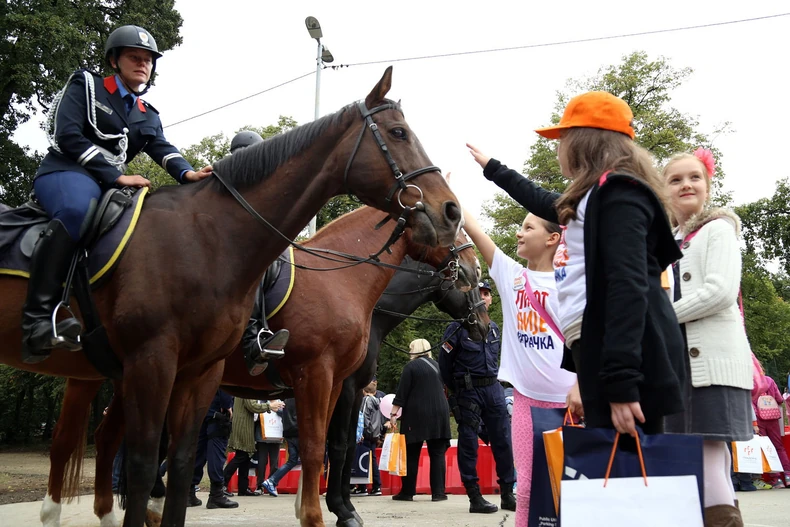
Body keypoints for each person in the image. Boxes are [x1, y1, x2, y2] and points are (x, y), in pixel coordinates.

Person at [467, 91, 685, 438]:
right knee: (617, 479)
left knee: (635, 478)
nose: (557, 149)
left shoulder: (619, 196)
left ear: (585, 142)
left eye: (562, 139)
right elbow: (540, 200)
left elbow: (627, 288)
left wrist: (622, 383)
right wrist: (494, 169)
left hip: (630, 360)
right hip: (604, 355)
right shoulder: (593, 199)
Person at [21, 25, 212, 364]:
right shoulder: (87, 85)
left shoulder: (146, 113)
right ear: (114, 60)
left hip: (109, 185)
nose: (143, 64)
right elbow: (67, 135)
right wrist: (116, 175)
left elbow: (161, 147)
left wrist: (188, 173)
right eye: (134, 58)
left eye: (148, 60)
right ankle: (37, 319)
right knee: (77, 211)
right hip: (67, 172)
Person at [453, 197, 576, 524]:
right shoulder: (511, 276)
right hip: (526, 403)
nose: (519, 234)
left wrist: (582, 386)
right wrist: (448, 194)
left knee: (571, 488)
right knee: (527, 490)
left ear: (553, 239)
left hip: (571, 405)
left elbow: (592, 340)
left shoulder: (573, 284)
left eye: (528, 227)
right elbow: (475, 229)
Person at [661, 148, 754, 523]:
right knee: (687, 457)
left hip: (712, 364)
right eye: (675, 179)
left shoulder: (719, 230)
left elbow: (719, 292)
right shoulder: (666, 241)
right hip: (676, 365)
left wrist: (659, 319)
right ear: (663, 189)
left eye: (694, 177)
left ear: (707, 185)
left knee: (709, 452)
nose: (686, 185)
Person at [438, 280, 516, 514]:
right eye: (478, 293)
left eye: (486, 293)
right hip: (469, 391)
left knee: (503, 441)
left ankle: (507, 494)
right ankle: (474, 495)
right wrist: (458, 391)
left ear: (491, 299)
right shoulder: (457, 328)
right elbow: (445, 366)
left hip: (494, 389)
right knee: (469, 442)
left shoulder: (493, 328)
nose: (483, 297)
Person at [390, 339, 451, 502]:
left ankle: (408, 491)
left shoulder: (410, 367)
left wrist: (393, 414)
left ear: (414, 350)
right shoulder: (438, 366)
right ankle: (438, 492)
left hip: (416, 414)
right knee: (437, 453)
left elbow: (402, 393)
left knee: (411, 453)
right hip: (440, 412)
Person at [223, 397, 284, 496]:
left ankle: (243, 488)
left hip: (246, 424)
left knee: (246, 456)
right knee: (241, 456)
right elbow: (252, 406)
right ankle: (222, 483)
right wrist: (269, 406)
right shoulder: (247, 387)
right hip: (244, 425)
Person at [191, 389, 237, 509]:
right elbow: (224, 382)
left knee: (198, 452)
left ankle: (189, 492)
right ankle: (216, 495)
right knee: (216, 453)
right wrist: (227, 405)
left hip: (200, 410)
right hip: (217, 412)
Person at [752, 365, 790, 488]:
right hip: (773, 419)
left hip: (759, 420)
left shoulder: (750, 383)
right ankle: (788, 476)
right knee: (779, 447)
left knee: (766, 449)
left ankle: (776, 479)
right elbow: (779, 399)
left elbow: (750, 404)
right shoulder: (770, 380)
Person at [260, 397, 299, 496]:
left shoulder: (286, 399)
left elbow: (282, 413)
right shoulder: (301, 398)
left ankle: (272, 481)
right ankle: (308, 489)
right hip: (298, 433)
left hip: (288, 433)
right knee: (304, 460)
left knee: (292, 460)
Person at [352, 381, 385, 496]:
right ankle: (377, 486)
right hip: (375, 435)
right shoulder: (379, 402)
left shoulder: (366, 401)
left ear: (363, 391)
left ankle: (362, 487)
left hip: (366, 434)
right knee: (373, 460)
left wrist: (361, 433)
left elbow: (363, 416)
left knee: (363, 458)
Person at [255, 399, 284, 492]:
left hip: (276, 437)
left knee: (274, 463)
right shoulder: (261, 401)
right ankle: (259, 485)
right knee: (261, 462)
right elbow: (256, 416)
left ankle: (272, 484)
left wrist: (278, 409)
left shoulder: (281, 402)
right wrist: (268, 407)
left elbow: (286, 414)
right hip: (262, 437)